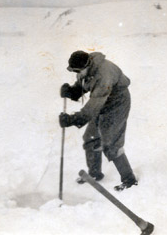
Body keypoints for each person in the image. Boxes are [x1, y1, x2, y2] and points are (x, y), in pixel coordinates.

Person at [59, 50, 138, 191]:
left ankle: (129, 179)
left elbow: (92, 106)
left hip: (117, 103)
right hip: (102, 101)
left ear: (86, 66)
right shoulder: (88, 69)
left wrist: (73, 119)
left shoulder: (103, 75)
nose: (76, 74)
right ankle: (94, 174)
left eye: (78, 71)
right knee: (91, 137)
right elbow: (85, 84)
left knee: (111, 142)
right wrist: (73, 91)